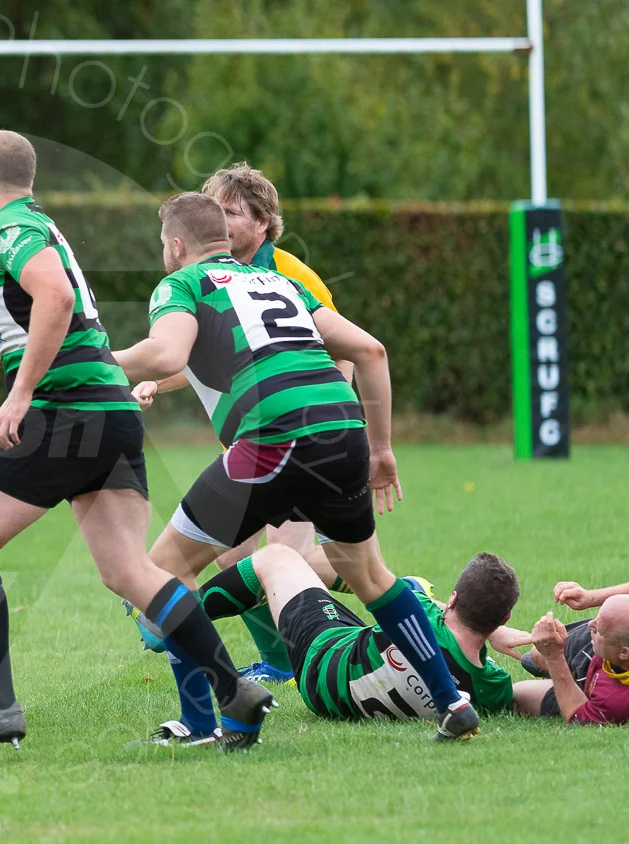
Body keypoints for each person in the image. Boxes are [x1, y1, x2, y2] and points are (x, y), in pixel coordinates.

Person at [0, 130, 269, 751]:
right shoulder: (40, 224)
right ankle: (233, 688)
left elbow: (52, 299)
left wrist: (20, 396)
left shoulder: (3, 228)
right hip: (110, 410)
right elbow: (52, 321)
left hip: (65, 411)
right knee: (129, 570)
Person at [114, 191, 481, 742]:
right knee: (370, 575)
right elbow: (372, 351)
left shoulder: (181, 284)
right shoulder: (280, 282)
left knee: (165, 572)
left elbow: (166, 355)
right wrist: (380, 450)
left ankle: (201, 721)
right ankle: (452, 703)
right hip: (343, 435)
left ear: (175, 244)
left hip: (273, 439)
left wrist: (85, 361)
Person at [129, 163, 349, 685]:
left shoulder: (289, 274)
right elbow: (211, 355)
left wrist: (335, 431)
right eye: (217, 211)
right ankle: (279, 658)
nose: (221, 222)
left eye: (232, 212)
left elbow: (335, 353)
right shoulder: (219, 276)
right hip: (261, 441)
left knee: (286, 560)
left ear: (264, 223)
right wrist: (157, 383)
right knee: (237, 553)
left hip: (305, 437)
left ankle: (395, 591)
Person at [171, 546, 517, 734]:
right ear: (503, 619)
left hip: (324, 662)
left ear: (453, 600)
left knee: (277, 558)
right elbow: (541, 698)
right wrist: (545, 657)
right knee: (307, 558)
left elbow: (398, 592)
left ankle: (174, 617)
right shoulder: (491, 687)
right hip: (352, 667)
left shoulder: (422, 612)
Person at [512, 578, 629, 725]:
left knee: (513, 694)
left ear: (624, 653)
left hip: (594, 686)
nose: (590, 624)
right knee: (532, 658)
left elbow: (576, 714)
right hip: (614, 651)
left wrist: (554, 657)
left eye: (598, 628)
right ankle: (549, 663)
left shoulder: (618, 701)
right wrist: (589, 598)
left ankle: (564, 670)